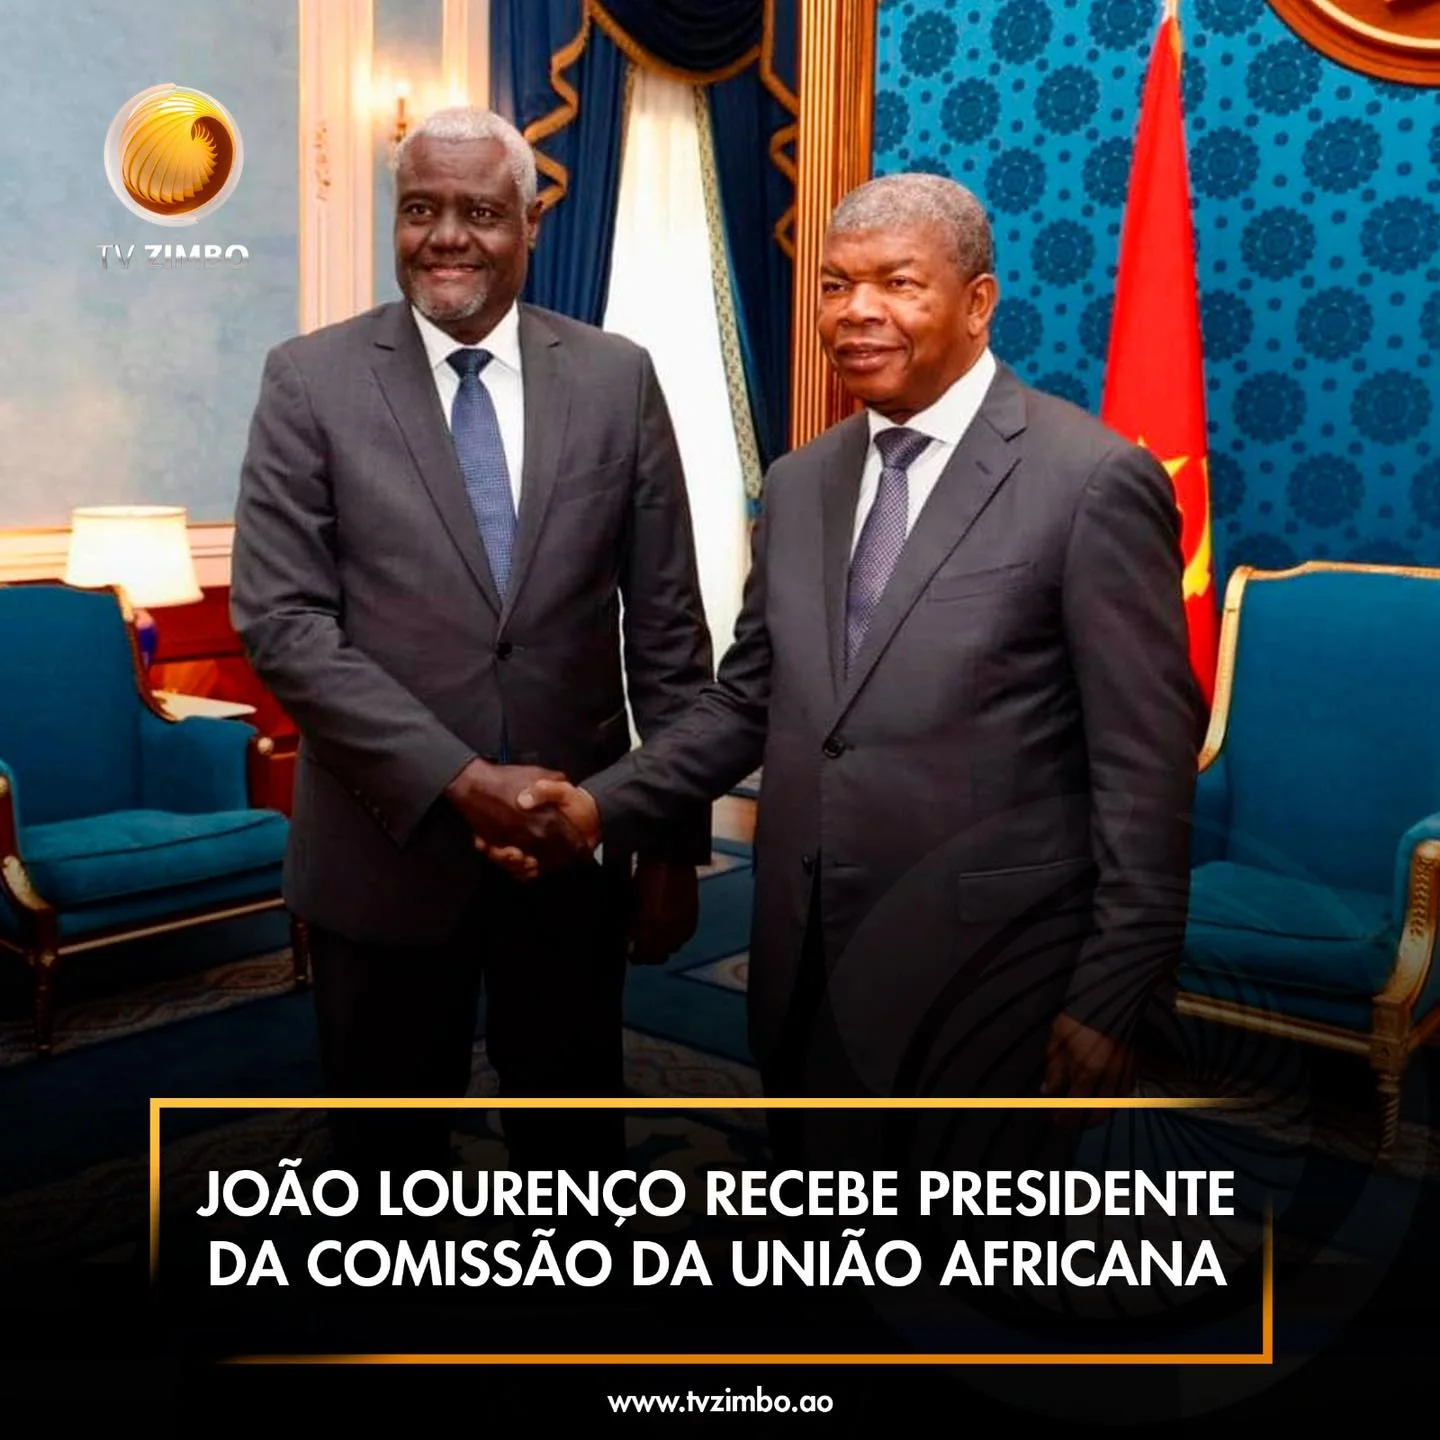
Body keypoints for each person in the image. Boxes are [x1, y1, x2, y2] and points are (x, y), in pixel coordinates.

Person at [497, 173, 1204, 1136]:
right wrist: (595, 805)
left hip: (989, 979)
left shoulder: (1090, 482)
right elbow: (746, 704)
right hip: (803, 961)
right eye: (835, 285)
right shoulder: (798, 483)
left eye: (898, 283)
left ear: (978, 303)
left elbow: (1145, 770)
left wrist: (1115, 990)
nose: (857, 311)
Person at [229, 108, 713, 1175]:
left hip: (572, 853)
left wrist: (672, 846)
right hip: (382, 854)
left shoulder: (617, 376)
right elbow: (284, 624)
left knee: (575, 1151)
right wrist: (460, 780)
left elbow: (668, 630)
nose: (446, 236)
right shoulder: (309, 379)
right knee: (384, 1166)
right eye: (420, 209)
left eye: (481, 212)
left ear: (531, 224)